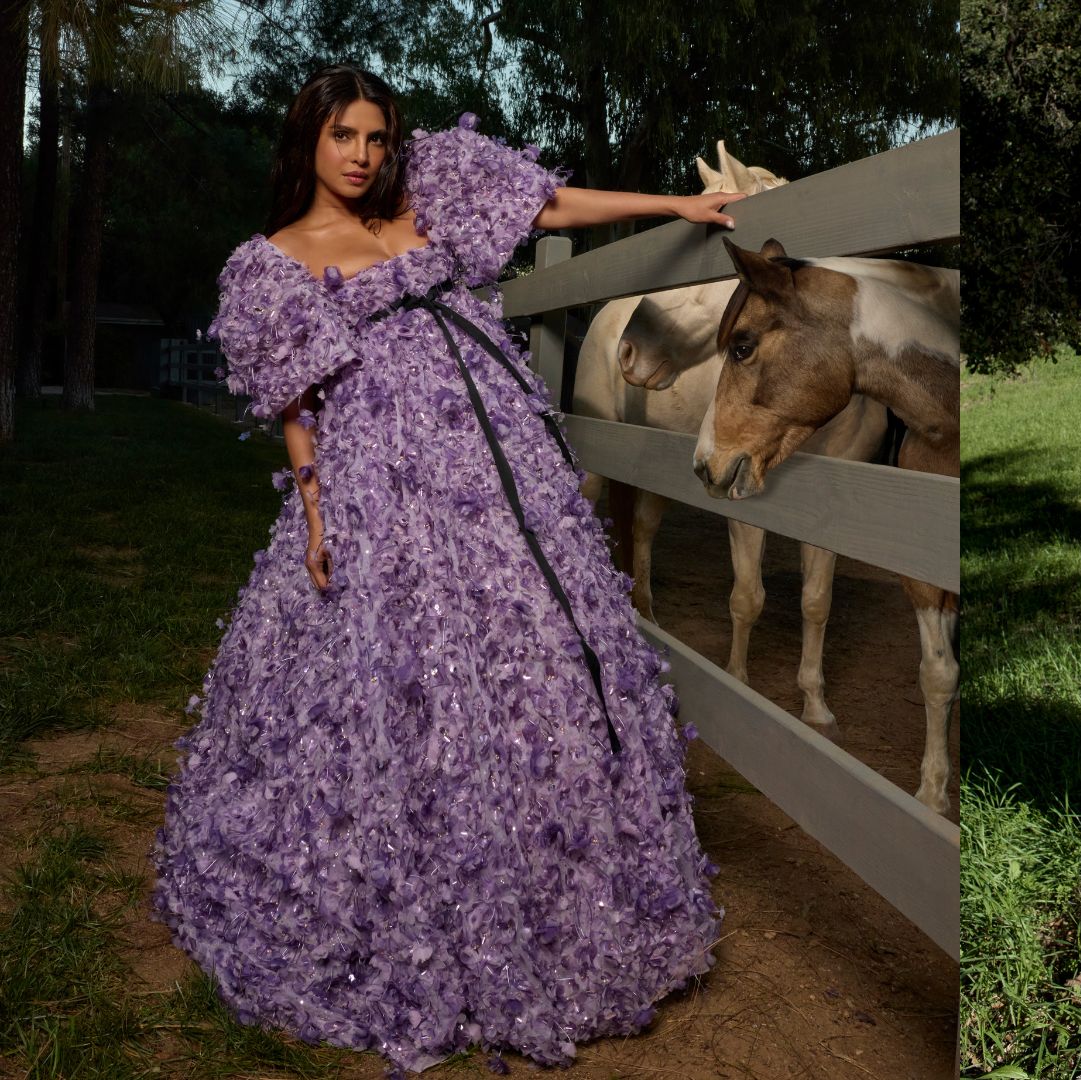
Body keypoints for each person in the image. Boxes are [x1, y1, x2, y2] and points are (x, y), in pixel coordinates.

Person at [148, 64, 747, 1073]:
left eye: (376, 137)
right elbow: (299, 405)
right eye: (343, 136)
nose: (363, 156)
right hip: (384, 477)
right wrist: (316, 514)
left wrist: (675, 205)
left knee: (539, 643)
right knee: (403, 663)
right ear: (308, 141)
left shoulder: (429, 186)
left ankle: (569, 876)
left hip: (501, 463)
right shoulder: (273, 261)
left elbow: (548, 201)